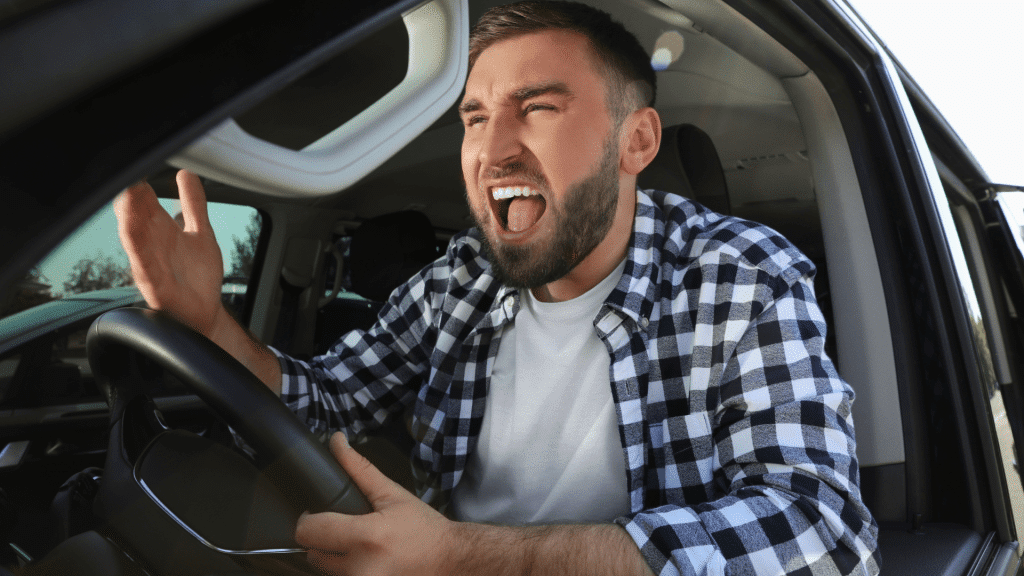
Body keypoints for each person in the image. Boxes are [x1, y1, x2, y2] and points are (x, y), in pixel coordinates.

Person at [115, 1, 880, 574]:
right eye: (475, 119)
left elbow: (820, 534)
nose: (493, 149)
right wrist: (209, 323)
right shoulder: (464, 279)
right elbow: (327, 401)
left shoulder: (738, 277)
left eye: (538, 108)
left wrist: (459, 556)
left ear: (636, 141)